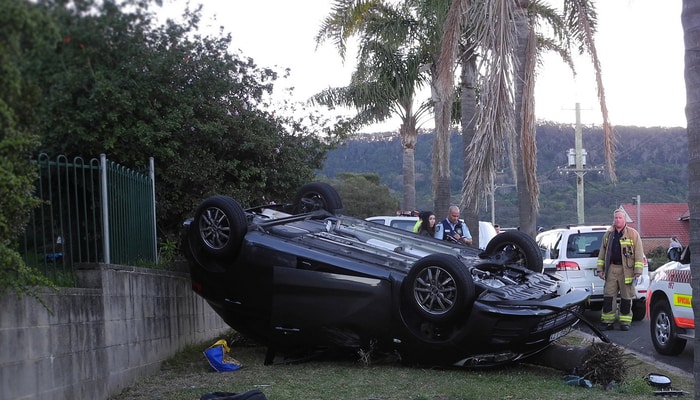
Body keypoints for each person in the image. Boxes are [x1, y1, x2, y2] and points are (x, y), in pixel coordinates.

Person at [596, 208, 644, 331]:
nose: (617, 220)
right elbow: (602, 253)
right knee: (608, 296)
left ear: (624, 219)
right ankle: (607, 321)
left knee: (626, 297)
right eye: (616, 218)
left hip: (626, 270)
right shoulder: (608, 234)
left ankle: (625, 322)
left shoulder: (633, 234)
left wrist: (638, 271)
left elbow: (639, 253)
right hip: (611, 268)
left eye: (620, 218)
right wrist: (600, 269)